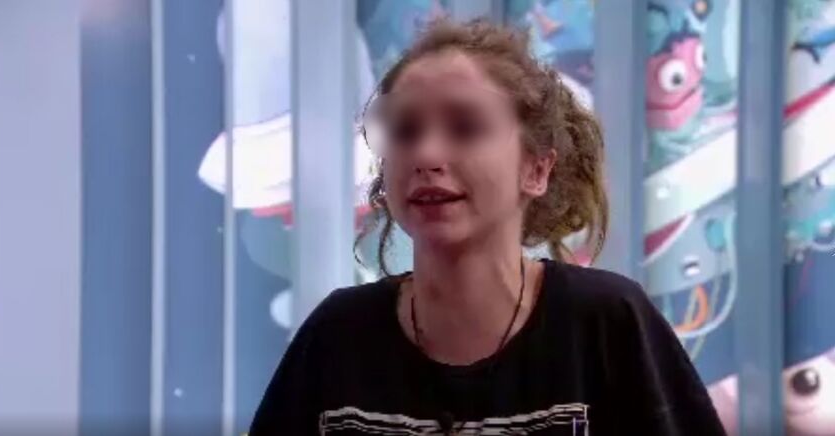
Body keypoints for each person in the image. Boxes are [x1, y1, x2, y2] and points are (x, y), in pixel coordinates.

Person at [250, 19, 726, 436]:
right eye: (406, 130)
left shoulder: (606, 322)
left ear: (536, 169)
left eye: (465, 127)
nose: (426, 155)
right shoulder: (338, 334)